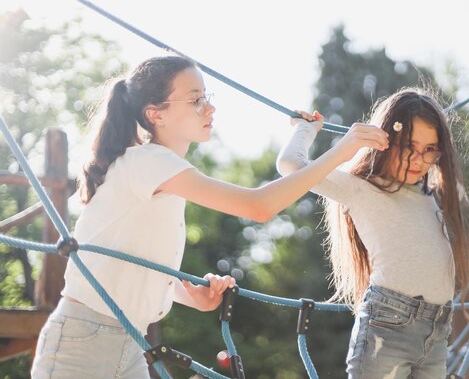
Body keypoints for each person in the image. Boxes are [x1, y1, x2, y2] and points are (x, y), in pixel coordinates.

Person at [31, 55, 389, 379]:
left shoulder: (161, 172)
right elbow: (258, 207)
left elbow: (135, 262)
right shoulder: (148, 162)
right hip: (85, 338)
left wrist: (190, 297)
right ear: (156, 114)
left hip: (127, 338)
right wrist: (341, 151)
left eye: (207, 97)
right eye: (195, 100)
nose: (209, 108)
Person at [277, 87, 469, 379]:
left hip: (437, 330)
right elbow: (291, 166)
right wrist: (306, 129)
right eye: (410, 146)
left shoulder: (433, 196)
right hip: (388, 328)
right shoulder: (361, 189)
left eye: (430, 149)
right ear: (386, 140)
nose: (419, 160)